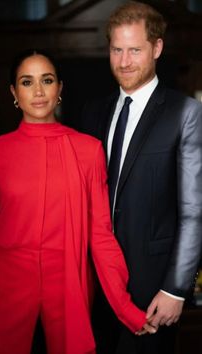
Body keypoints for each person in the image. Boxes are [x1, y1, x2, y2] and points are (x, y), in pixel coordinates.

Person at [0, 49, 156, 354]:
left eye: (47, 80)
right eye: (27, 82)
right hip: (6, 285)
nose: (39, 92)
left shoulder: (89, 151)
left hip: (69, 281)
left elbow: (101, 236)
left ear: (60, 89)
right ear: (14, 92)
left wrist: (125, 308)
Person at [80, 1, 202, 354]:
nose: (124, 61)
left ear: (157, 47)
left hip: (154, 292)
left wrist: (176, 288)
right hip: (97, 288)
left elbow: (195, 211)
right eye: (117, 50)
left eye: (135, 49)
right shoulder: (93, 112)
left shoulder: (186, 113)